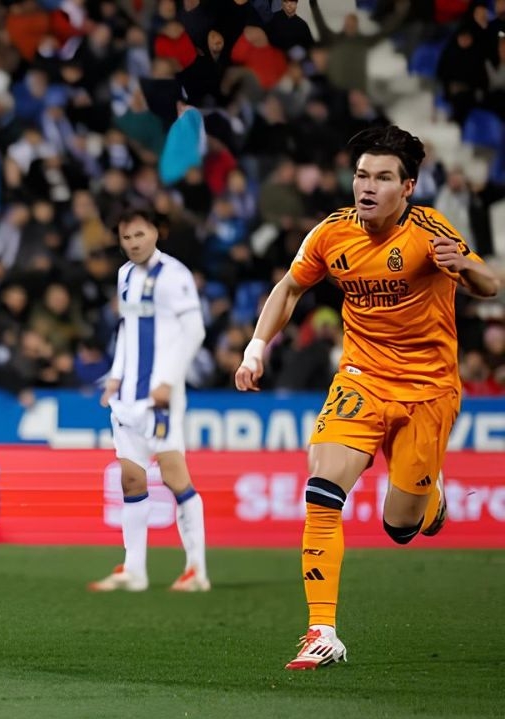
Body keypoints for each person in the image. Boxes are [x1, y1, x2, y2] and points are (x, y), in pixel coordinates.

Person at [235, 125, 500, 670]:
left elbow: (489, 285)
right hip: (360, 377)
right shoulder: (332, 233)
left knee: (400, 527)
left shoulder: (429, 232)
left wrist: (464, 266)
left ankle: (431, 498)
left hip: (428, 388)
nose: (368, 186)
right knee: (321, 490)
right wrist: (256, 347)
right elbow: (289, 287)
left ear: (408, 188)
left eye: (382, 177)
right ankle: (321, 630)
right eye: (361, 175)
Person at [90, 209, 210, 594]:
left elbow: (194, 330)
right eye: (126, 238)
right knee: (131, 479)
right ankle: (134, 569)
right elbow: (128, 327)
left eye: (140, 235)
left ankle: (196, 570)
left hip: (160, 398)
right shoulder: (125, 275)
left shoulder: (174, 275)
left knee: (176, 478)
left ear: (156, 232)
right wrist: (115, 376)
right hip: (127, 398)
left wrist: (167, 381)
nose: (134, 243)